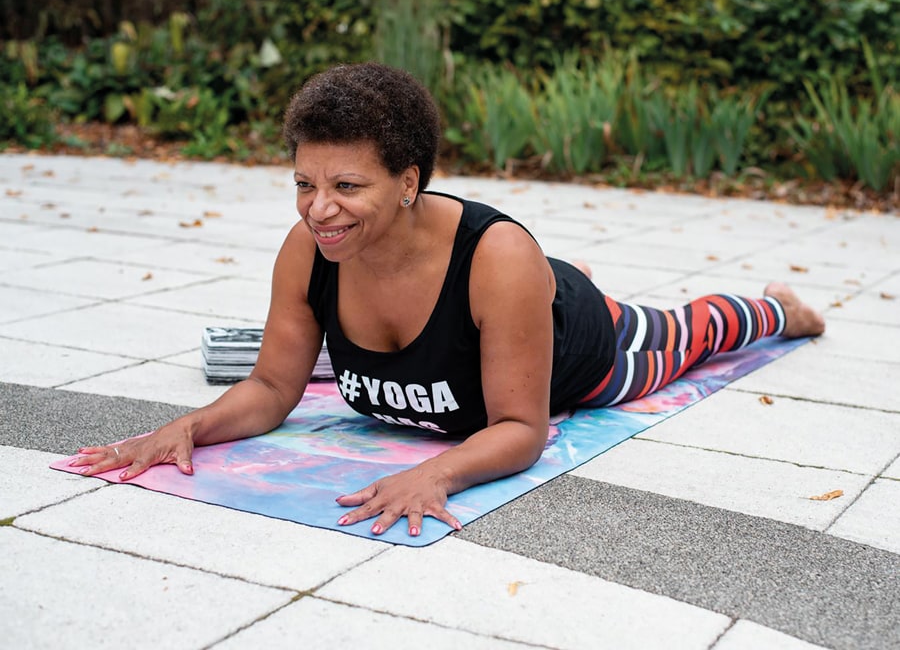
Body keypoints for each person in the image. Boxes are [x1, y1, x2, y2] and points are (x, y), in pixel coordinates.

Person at [71, 62, 826, 537]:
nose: (317, 209)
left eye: (347, 187)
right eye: (304, 183)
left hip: (580, 347)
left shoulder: (491, 257)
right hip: (518, 293)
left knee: (681, 336)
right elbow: (273, 387)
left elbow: (523, 429)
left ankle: (777, 309)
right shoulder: (311, 252)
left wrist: (434, 474)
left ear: (409, 181)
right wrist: (190, 427)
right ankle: (567, 282)